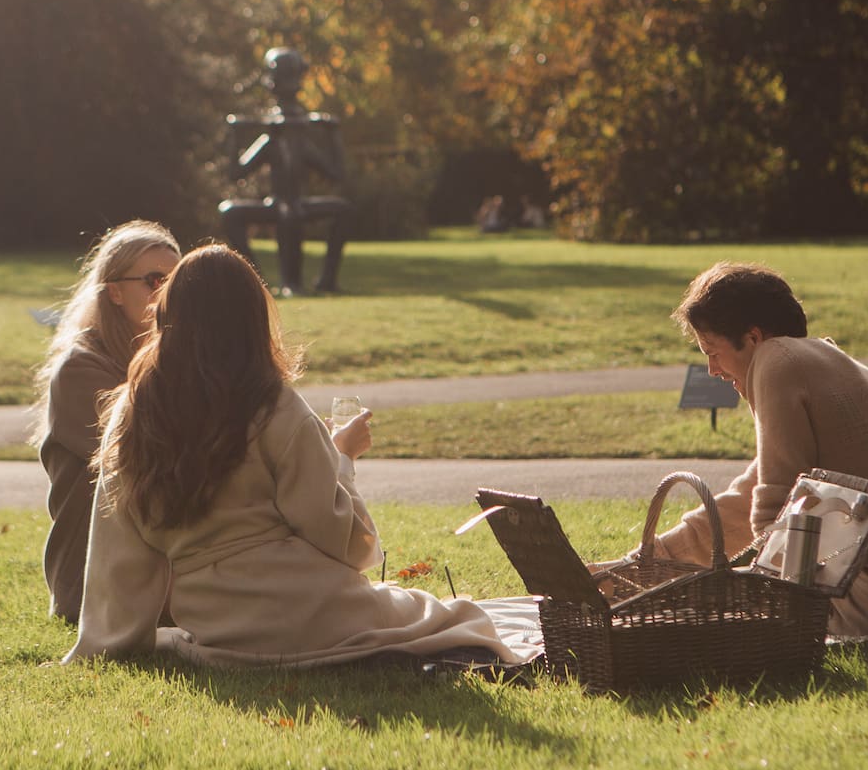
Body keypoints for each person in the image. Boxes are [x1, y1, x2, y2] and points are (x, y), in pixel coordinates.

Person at [63, 245, 536, 667]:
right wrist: (342, 459)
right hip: (310, 609)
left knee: (446, 613)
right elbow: (343, 541)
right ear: (252, 320)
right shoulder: (273, 406)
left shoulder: (132, 412)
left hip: (216, 622)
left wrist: (111, 638)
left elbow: (117, 546)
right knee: (463, 616)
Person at [637, 263, 868, 637]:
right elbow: (751, 494)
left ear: (754, 337)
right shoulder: (820, 359)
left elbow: (772, 519)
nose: (712, 370)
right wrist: (654, 558)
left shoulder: (774, 363)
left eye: (712, 351)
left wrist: (744, 590)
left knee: (699, 603)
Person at [30, 220, 181, 625]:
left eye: (179, 281)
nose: (169, 294)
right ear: (114, 291)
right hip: (96, 583)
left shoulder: (178, 361)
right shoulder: (81, 370)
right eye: (155, 281)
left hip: (167, 560)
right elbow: (154, 459)